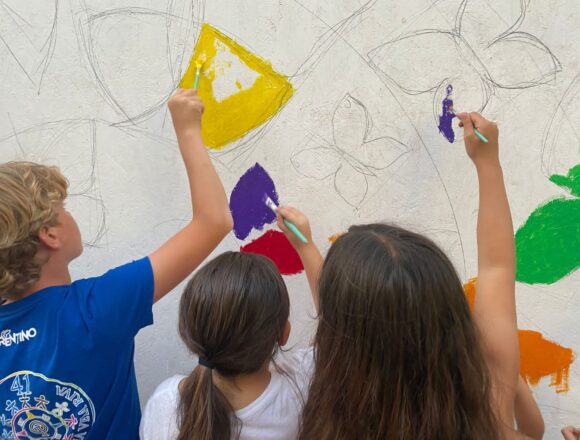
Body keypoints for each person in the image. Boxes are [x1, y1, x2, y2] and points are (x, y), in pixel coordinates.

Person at [278, 112, 544, 439]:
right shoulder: (489, 398)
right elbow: (496, 266)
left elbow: (348, 323)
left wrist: (307, 248)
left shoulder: (331, 419)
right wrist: (487, 162)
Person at [0, 89, 232, 438]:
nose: (69, 214)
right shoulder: (97, 309)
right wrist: (188, 130)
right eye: (64, 209)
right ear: (49, 234)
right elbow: (214, 221)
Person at [140, 252, 313, 440]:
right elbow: (337, 335)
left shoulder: (165, 404)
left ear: (189, 331)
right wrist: (306, 245)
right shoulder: (297, 390)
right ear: (284, 334)